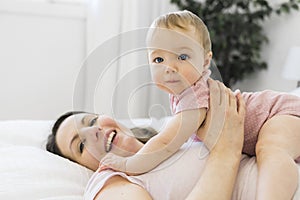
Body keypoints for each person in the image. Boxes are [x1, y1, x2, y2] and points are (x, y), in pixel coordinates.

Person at [101, 10, 300, 200]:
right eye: (158, 59)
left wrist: (129, 164)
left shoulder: (195, 96)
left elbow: (165, 142)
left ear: (206, 62)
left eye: (182, 57)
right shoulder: (182, 94)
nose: (169, 68)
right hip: (275, 116)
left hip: (278, 113)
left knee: (272, 147)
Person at [46, 79, 246, 200]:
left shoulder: (175, 139)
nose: (94, 131)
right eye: (81, 145)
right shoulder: (108, 183)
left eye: (91, 121)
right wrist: (226, 151)